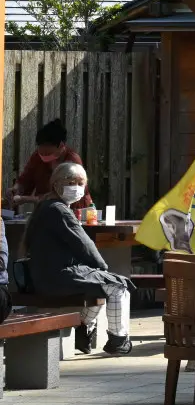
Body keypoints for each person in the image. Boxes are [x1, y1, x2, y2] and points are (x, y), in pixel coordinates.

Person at [22, 162, 132, 354]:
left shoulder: (46, 206)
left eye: (81, 183)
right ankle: (118, 340)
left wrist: (98, 271)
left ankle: (84, 331)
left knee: (100, 284)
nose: (78, 187)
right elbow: (84, 245)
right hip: (58, 276)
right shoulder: (59, 211)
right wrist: (102, 267)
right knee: (118, 286)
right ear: (57, 184)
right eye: (72, 182)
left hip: (47, 275)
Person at [8, 119, 94, 217]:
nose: (44, 156)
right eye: (41, 153)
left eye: (48, 153)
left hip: (75, 212)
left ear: (61, 146)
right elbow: (26, 177)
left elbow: (61, 195)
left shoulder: (72, 160)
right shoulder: (37, 157)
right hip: (46, 212)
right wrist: (16, 188)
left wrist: (27, 199)